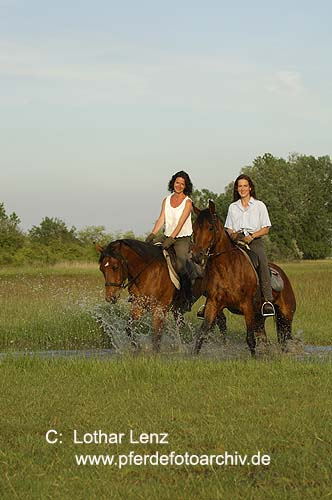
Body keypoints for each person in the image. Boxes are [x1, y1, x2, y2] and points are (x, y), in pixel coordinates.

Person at [224, 174, 275, 316]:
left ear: (250, 188)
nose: (242, 189)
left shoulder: (259, 206)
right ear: (236, 189)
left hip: (254, 240)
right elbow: (228, 227)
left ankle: (267, 300)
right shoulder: (233, 207)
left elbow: (266, 228)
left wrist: (251, 236)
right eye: (240, 186)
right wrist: (233, 234)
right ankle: (211, 297)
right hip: (236, 241)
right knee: (218, 262)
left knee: (262, 262)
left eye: (245, 186)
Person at [145, 171, 194, 311]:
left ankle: (186, 298)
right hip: (166, 235)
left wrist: (172, 239)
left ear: (186, 186)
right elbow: (161, 219)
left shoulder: (188, 202)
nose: (179, 185)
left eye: (182, 184)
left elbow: (180, 223)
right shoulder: (166, 200)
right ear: (173, 183)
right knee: (148, 254)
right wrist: (152, 235)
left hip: (182, 238)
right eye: (177, 182)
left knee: (181, 263)